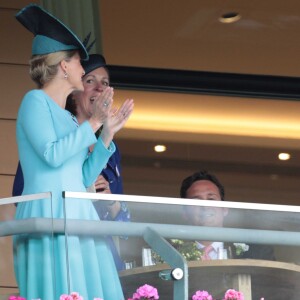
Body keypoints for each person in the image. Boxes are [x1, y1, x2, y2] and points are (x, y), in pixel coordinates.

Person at [13, 4, 134, 300]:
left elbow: (83, 177)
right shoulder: (34, 102)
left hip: (78, 214)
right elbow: (51, 155)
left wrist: (107, 133)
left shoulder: (68, 119)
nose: (84, 69)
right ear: (64, 66)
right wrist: (93, 121)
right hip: (48, 212)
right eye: (80, 63)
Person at [178, 170, 275, 260]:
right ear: (185, 213)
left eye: (211, 199)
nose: (205, 207)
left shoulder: (257, 252)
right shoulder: (173, 253)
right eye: (196, 201)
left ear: (225, 208)